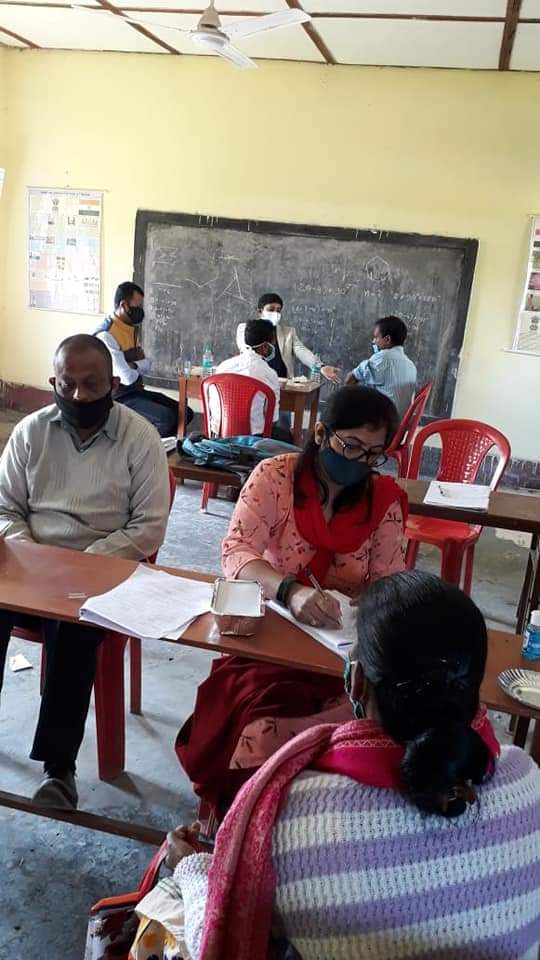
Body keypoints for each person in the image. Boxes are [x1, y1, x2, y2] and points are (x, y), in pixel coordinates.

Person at [166, 571, 540, 960]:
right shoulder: (527, 780)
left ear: (357, 681)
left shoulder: (290, 816)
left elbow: (221, 934)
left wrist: (192, 869)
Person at [176, 385, 407, 816]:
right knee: (255, 720)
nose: (359, 462)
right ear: (321, 433)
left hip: (344, 651)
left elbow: (389, 582)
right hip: (272, 635)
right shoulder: (276, 478)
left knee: (369, 725)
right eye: (350, 445)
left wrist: (365, 612)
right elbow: (237, 553)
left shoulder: (383, 501)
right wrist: (290, 590)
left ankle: (308, 831)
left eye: (373, 455)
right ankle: (241, 826)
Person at [0, 335, 171, 808]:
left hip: (102, 571)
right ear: (53, 382)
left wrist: (79, 567)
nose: (77, 395)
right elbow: (4, 507)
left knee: (74, 627)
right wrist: (32, 556)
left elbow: (148, 528)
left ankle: (59, 770)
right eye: (66, 384)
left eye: (91, 384)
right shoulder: (30, 432)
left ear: (113, 385)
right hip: (29, 566)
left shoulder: (140, 439)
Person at [95, 281, 191, 437]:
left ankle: (163, 449)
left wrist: (132, 365)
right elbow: (126, 378)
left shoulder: (130, 328)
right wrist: (137, 364)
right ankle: (144, 451)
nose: (140, 311)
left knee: (185, 413)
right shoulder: (107, 335)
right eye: (137, 307)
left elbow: (148, 364)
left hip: (136, 391)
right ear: (124, 305)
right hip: (119, 398)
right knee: (166, 419)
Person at [210, 319, 292, 442]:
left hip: (219, 436)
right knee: (287, 437)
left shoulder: (223, 366)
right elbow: (273, 419)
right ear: (265, 346)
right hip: (254, 440)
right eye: (273, 343)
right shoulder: (269, 374)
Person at [236, 293, 340, 383]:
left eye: (278, 310)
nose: (275, 313)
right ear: (260, 311)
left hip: (281, 382)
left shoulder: (288, 332)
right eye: (271, 309)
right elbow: (245, 349)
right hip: (253, 379)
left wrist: (321, 367)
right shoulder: (245, 329)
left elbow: (302, 351)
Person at [346, 315, 417, 419]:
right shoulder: (411, 365)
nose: (373, 341)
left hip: (381, 425)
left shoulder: (383, 357)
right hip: (398, 426)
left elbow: (350, 379)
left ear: (387, 339)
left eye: (376, 337)